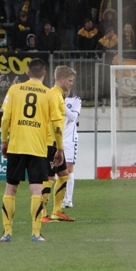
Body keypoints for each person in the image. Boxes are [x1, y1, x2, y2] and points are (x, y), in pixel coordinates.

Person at [0, 58, 63, 242]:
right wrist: (59, 148)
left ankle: (7, 233)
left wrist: (4, 141)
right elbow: (57, 124)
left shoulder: (14, 89)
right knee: (36, 189)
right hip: (38, 148)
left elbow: (5, 118)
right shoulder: (49, 94)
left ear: (27, 72)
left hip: (17, 145)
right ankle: (35, 233)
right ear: (44, 74)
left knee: (10, 188)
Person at [44, 65, 79, 218]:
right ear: (62, 79)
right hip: (50, 141)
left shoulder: (58, 95)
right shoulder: (54, 95)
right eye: (70, 80)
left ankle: (57, 212)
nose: (72, 83)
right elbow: (56, 124)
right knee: (49, 177)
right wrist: (59, 147)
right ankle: (42, 214)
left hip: (55, 141)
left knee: (64, 174)